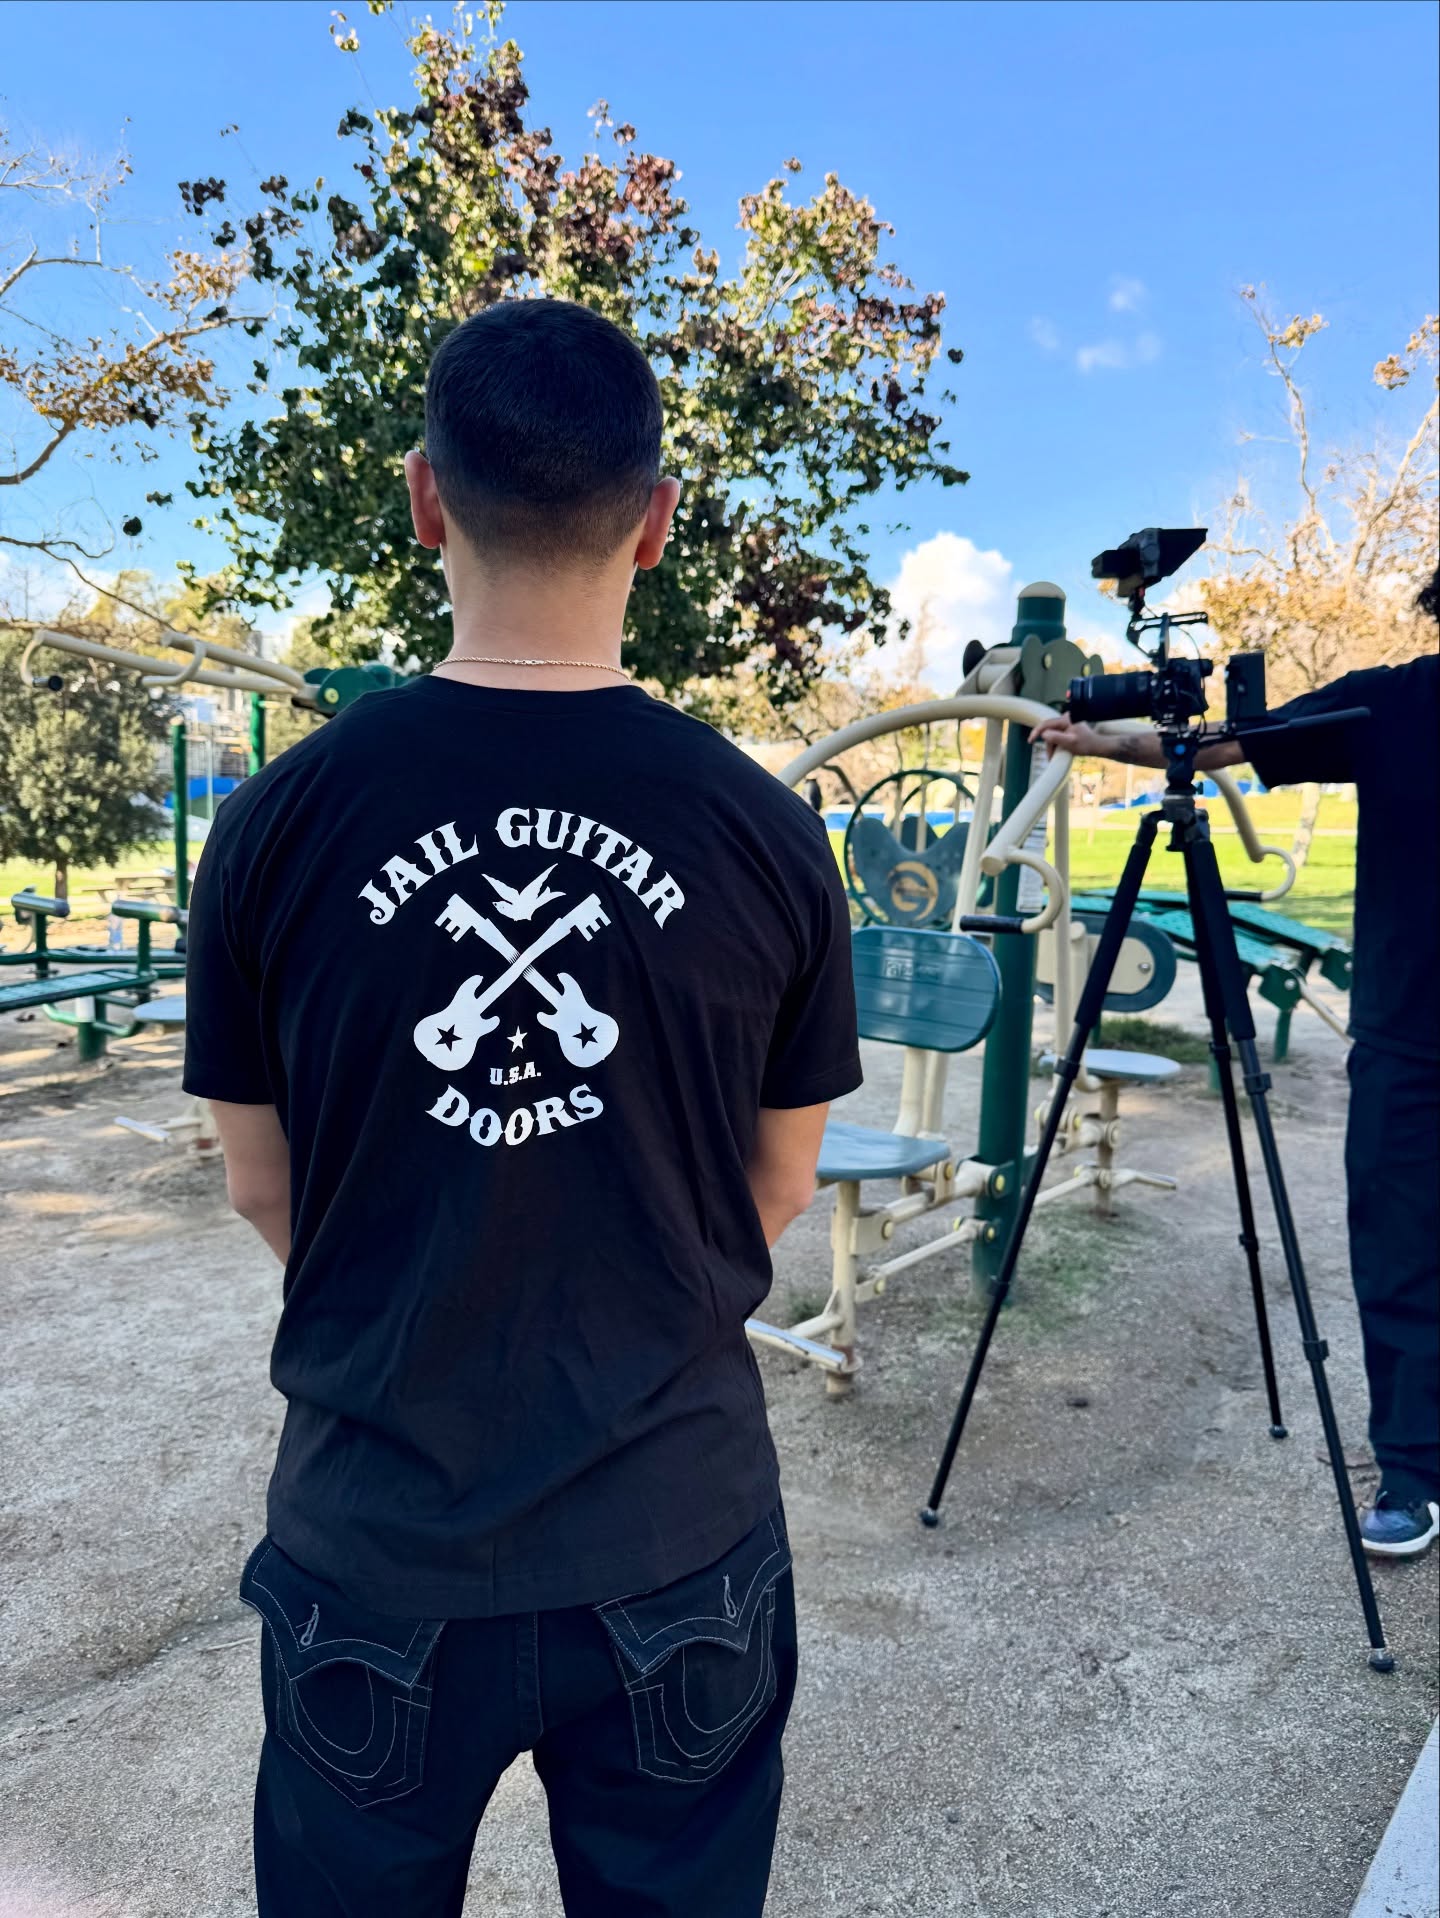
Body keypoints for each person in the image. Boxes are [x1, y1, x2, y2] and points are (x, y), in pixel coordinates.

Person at [182, 298, 862, 1918]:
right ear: (657, 521)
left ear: (427, 498)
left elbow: (263, 1184)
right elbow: (778, 1181)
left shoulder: (280, 821)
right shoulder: (764, 831)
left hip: (378, 1546)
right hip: (679, 1536)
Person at [1033, 585, 1439, 1559]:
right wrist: (1098, 744)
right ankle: (1416, 1469)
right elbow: (1213, 749)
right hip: (1409, 1043)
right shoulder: (1390, 703)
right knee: (1400, 1256)